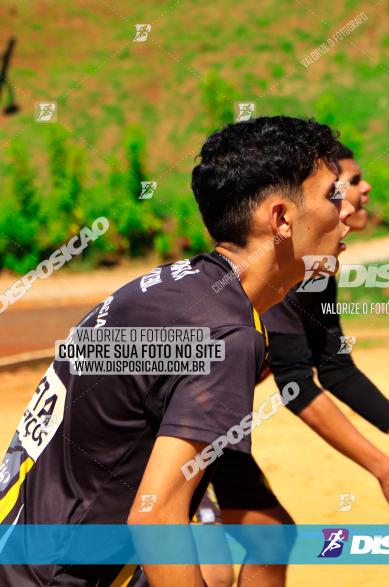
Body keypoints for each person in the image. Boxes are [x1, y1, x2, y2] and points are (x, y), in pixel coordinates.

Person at [0, 116, 353, 586]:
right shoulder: (226, 333)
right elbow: (155, 516)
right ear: (282, 218)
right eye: (332, 194)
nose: (347, 207)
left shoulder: (170, 286)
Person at [208, 144, 389, 585]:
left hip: (211, 425)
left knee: (269, 541)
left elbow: (333, 367)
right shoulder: (282, 264)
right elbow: (296, 384)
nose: (364, 188)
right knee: (211, 568)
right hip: (164, 424)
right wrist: (384, 469)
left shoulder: (316, 266)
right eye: (348, 184)